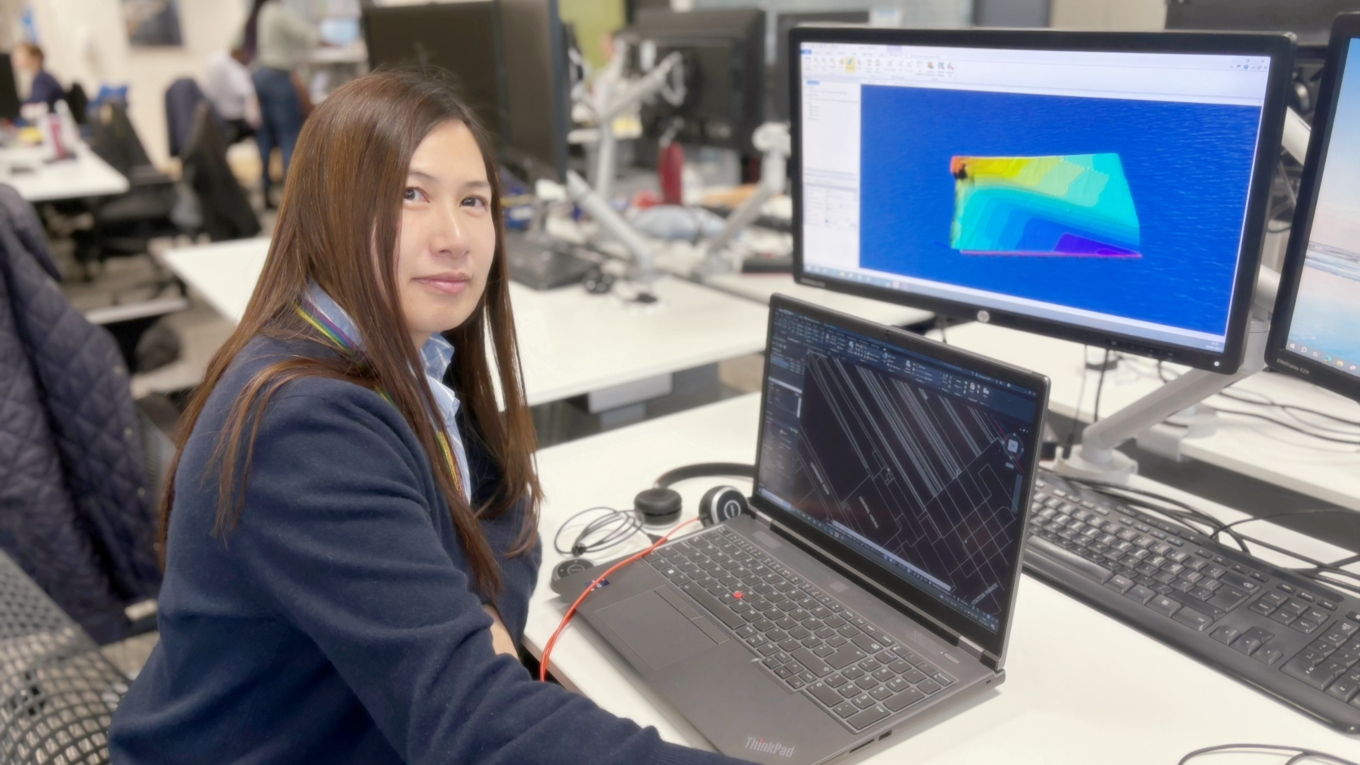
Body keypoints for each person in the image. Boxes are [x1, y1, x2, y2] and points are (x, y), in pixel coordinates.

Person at [107, 70, 750, 765]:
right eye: (410, 195)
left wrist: (478, 613)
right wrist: (473, 636)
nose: (455, 237)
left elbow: (507, 510)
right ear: (330, 212)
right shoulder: (304, 427)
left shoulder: (406, 353)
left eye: (473, 201)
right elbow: (476, 727)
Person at [244, 0, 316, 207]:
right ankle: (293, 199)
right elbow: (308, 36)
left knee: (266, 138)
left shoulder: (259, 13)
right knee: (289, 135)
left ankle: (266, 192)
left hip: (260, 75)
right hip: (278, 76)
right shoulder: (278, 12)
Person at [203, 40, 260, 145]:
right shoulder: (235, 67)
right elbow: (248, 93)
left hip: (217, 113)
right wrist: (255, 119)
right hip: (235, 118)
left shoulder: (214, 58)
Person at [12, 42, 64, 112]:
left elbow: (38, 103)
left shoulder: (42, 80)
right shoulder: (41, 78)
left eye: (20, 58)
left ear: (35, 58)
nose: (15, 62)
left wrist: (15, 106)